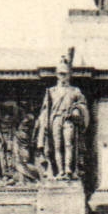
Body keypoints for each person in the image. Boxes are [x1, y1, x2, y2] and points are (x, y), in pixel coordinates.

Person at [37, 49, 89, 181]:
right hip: (55, 120)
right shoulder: (51, 91)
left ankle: (68, 169)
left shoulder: (75, 91)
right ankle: (59, 171)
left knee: (69, 144)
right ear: (57, 74)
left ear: (69, 75)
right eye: (60, 74)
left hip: (68, 120)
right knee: (57, 146)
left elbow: (82, 104)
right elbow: (45, 109)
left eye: (65, 74)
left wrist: (76, 112)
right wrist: (43, 125)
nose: (63, 76)